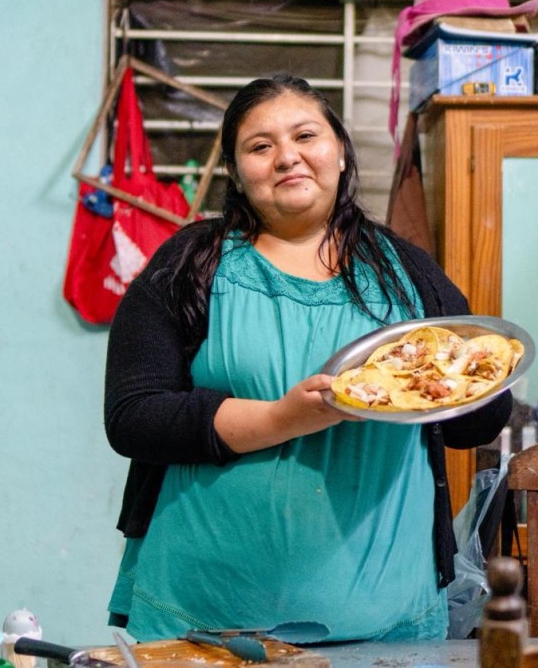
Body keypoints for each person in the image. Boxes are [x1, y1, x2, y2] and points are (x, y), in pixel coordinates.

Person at [103, 74, 512, 643]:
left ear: (340, 152)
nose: (287, 157)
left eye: (305, 136)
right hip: (205, 617)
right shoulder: (189, 266)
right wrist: (283, 419)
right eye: (260, 146)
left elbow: (479, 422)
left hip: (385, 618)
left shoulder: (407, 274)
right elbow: (133, 416)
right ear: (236, 173)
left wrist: (446, 381)